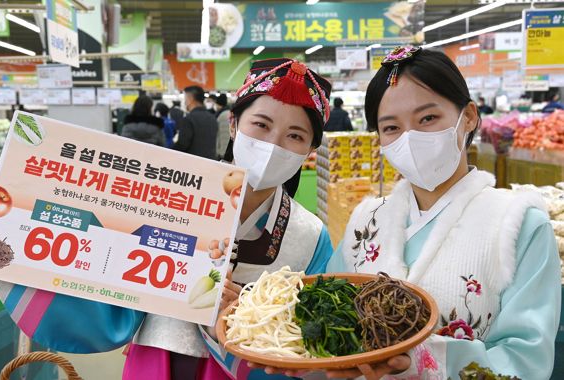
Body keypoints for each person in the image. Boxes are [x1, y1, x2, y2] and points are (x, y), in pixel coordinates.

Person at [319, 46, 559, 379]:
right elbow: (330, 315)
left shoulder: (519, 224)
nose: (410, 138)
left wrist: (420, 360)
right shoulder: (365, 221)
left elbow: (525, 359)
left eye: (428, 118)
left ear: (469, 117)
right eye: (391, 128)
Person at [122, 58, 335, 380]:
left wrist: (248, 313)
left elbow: (315, 336)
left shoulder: (311, 235)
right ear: (234, 124)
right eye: (261, 125)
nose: (272, 145)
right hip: (162, 357)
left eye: (295, 136)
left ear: (311, 149)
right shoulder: (172, 199)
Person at [173, 86, 218, 160]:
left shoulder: (189, 119)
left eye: (185, 99)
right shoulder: (212, 118)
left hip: (192, 164)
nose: (185, 102)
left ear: (190, 99)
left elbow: (182, 144)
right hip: (210, 162)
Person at [214, 93, 231, 159]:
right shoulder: (228, 113)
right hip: (227, 150)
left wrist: (220, 152)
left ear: (218, 104)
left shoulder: (222, 115)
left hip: (223, 151)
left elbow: (223, 136)